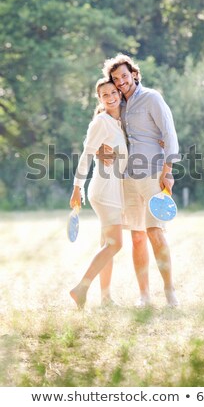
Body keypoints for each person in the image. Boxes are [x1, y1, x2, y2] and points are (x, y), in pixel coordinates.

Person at [100, 53, 180, 307]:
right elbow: (106, 134)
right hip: (127, 178)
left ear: (134, 74)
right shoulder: (118, 105)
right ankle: (144, 295)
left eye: (124, 76)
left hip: (153, 173)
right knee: (136, 237)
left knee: (155, 232)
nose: (121, 81)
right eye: (116, 79)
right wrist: (102, 151)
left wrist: (168, 170)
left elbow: (169, 133)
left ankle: (169, 292)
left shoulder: (152, 98)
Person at [69, 78, 128, 309]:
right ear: (100, 99)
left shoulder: (118, 122)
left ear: (119, 94)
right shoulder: (102, 121)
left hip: (114, 189)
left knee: (107, 245)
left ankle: (105, 298)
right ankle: (81, 288)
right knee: (115, 244)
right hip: (104, 191)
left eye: (114, 92)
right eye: (105, 95)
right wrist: (77, 187)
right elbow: (86, 154)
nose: (111, 97)